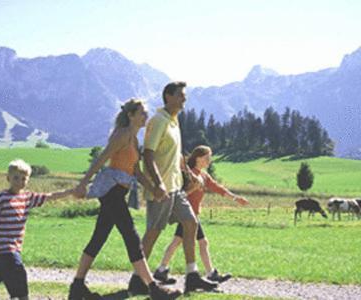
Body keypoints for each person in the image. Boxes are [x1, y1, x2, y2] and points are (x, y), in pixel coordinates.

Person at [68, 99, 181, 300]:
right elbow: (101, 158)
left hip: (117, 193)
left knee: (99, 238)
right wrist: (83, 183)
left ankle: (77, 286)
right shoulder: (122, 134)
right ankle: (153, 288)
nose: (146, 117)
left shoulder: (134, 139)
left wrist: (154, 189)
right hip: (111, 193)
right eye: (142, 113)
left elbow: (136, 170)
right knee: (132, 237)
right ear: (131, 115)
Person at [128, 82, 218, 295]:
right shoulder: (158, 121)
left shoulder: (174, 122)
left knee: (190, 222)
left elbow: (176, 156)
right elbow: (148, 154)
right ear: (168, 96)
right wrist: (158, 183)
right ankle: (137, 280)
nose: (184, 99)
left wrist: (189, 175)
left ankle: (192, 276)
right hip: (162, 189)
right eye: (180, 96)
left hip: (176, 189)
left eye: (184, 96)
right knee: (153, 232)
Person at [0, 159, 75, 300]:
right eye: (16, 178)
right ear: (8, 178)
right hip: (6, 247)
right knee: (18, 272)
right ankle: (22, 297)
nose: (20, 181)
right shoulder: (2, 198)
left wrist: (70, 191)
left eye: (24, 178)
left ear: (28, 180)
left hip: (16, 246)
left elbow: (49, 197)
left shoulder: (27, 198)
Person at [154, 145, 249, 284]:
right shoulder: (188, 173)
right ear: (198, 158)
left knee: (179, 241)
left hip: (193, 216)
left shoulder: (204, 175)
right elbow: (181, 194)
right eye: (207, 157)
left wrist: (236, 198)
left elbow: (218, 188)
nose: (209, 161)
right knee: (197, 242)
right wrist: (193, 188)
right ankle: (210, 273)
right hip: (186, 214)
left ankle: (162, 270)